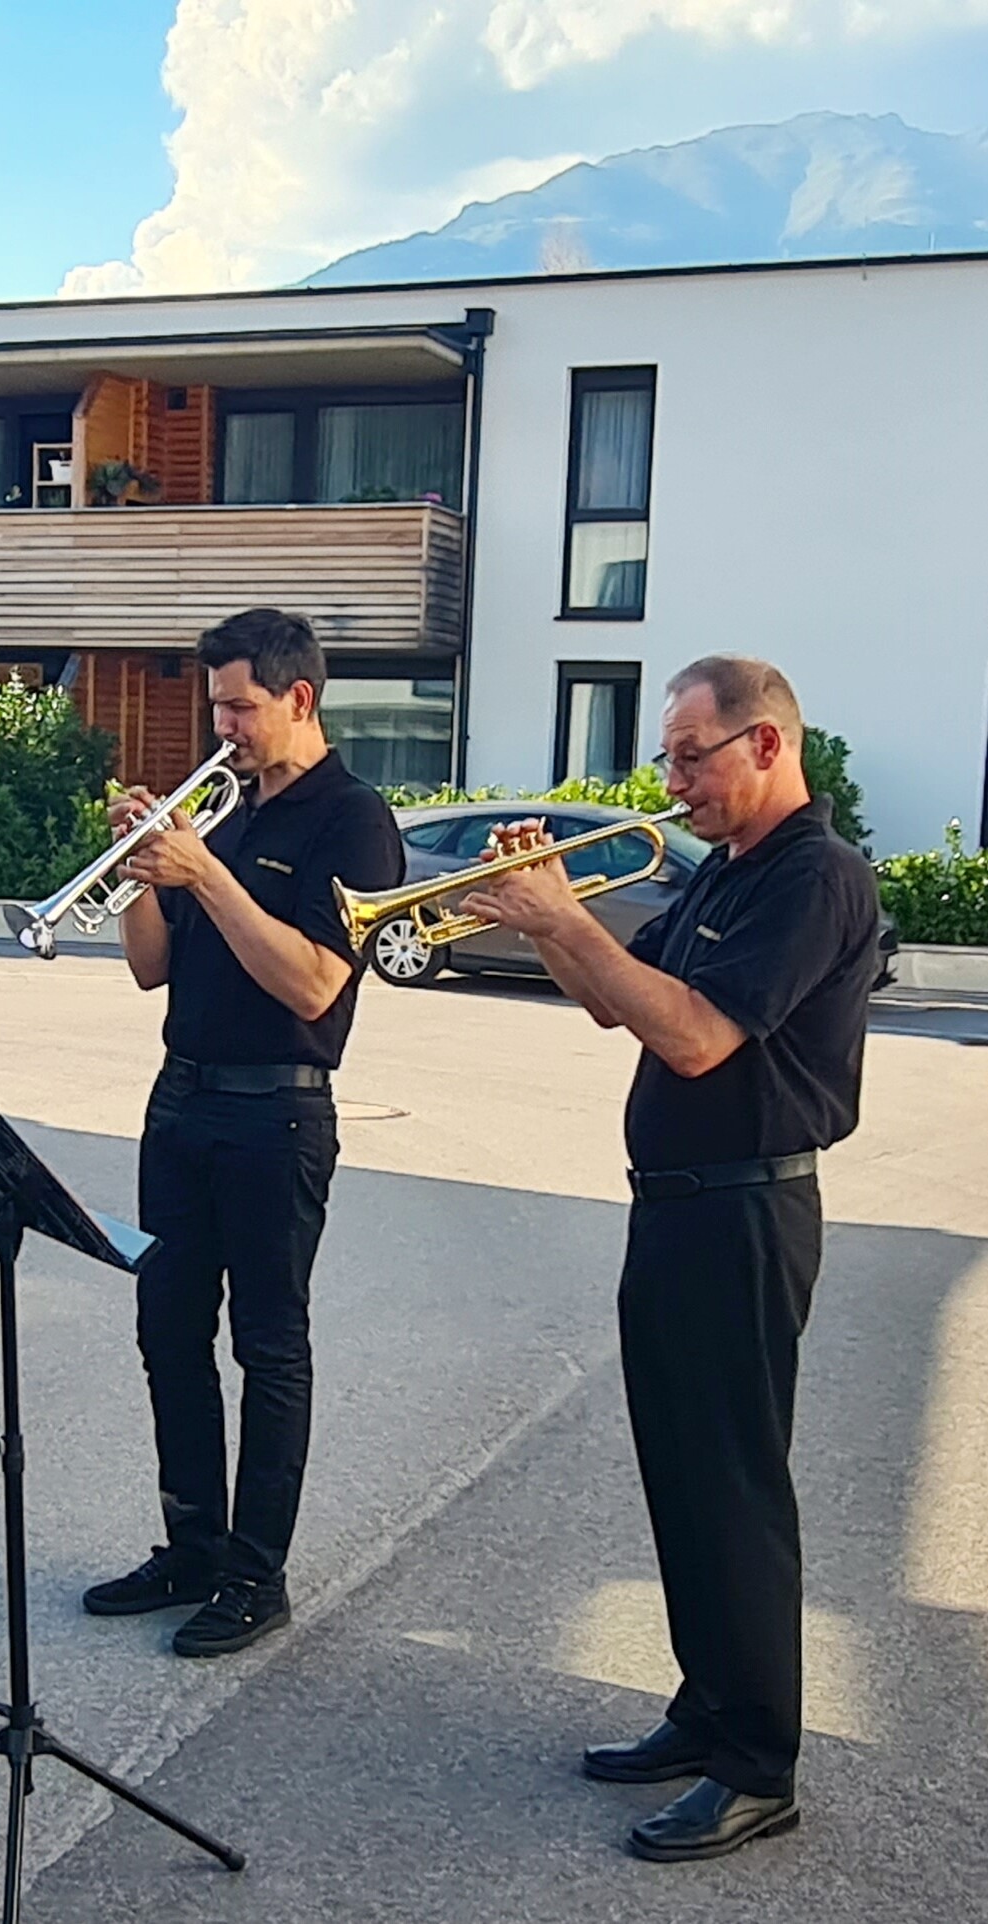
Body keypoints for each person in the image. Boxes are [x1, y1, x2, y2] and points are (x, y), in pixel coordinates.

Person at [462, 656, 878, 1863]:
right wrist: (542, 918)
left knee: (736, 1488)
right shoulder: (729, 871)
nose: (673, 781)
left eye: (692, 756)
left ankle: (758, 1765)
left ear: (766, 744)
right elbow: (623, 1003)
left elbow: (697, 1041)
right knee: (684, 1479)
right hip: (680, 1210)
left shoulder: (815, 876)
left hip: (746, 1211)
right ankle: (708, 1706)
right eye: (669, 757)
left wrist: (561, 915)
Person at [79, 609, 405, 1657]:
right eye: (215, 707)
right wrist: (136, 866)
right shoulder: (223, 812)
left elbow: (312, 983)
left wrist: (207, 876)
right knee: (166, 1329)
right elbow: (151, 968)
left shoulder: (352, 821)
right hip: (180, 1100)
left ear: (298, 698)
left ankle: (256, 1574)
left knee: (268, 1345)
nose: (221, 729)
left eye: (240, 708)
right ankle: (192, 1546)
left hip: (277, 1110)